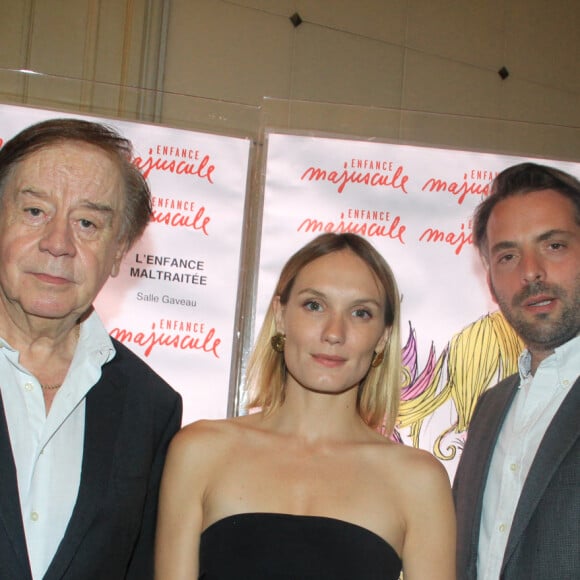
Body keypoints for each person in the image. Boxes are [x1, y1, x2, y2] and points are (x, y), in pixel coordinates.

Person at [155, 232, 456, 580]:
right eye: (315, 305)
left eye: (360, 313)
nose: (334, 332)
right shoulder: (200, 451)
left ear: (383, 337)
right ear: (281, 316)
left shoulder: (418, 480)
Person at [0, 118, 182, 580]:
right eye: (35, 211)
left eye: (87, 223)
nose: (58, 244)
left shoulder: (151, 407)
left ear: (120, 249)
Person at [453, 162, 580, 579]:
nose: (531, 272)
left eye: (554, 246)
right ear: (490, 281)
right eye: (507, 255)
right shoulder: (491, 407)